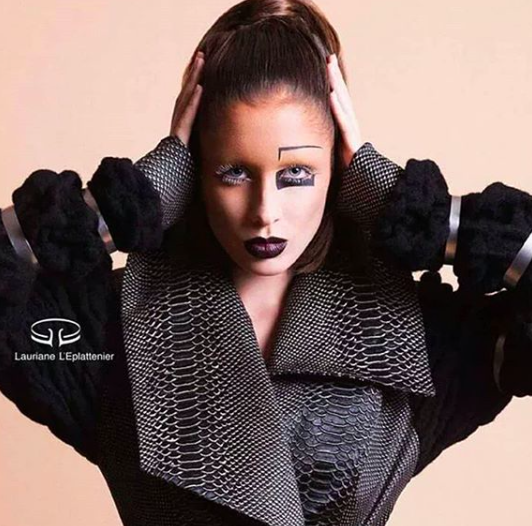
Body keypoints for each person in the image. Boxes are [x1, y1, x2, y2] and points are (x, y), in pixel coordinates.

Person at [1, 0, 531, 524]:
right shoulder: (109, 329)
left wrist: (414, 212)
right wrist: (129, 202)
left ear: (339, 169)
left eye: (296, 173)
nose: (265, 213)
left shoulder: (405, 332)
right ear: (194, 172)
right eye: (233, 172)